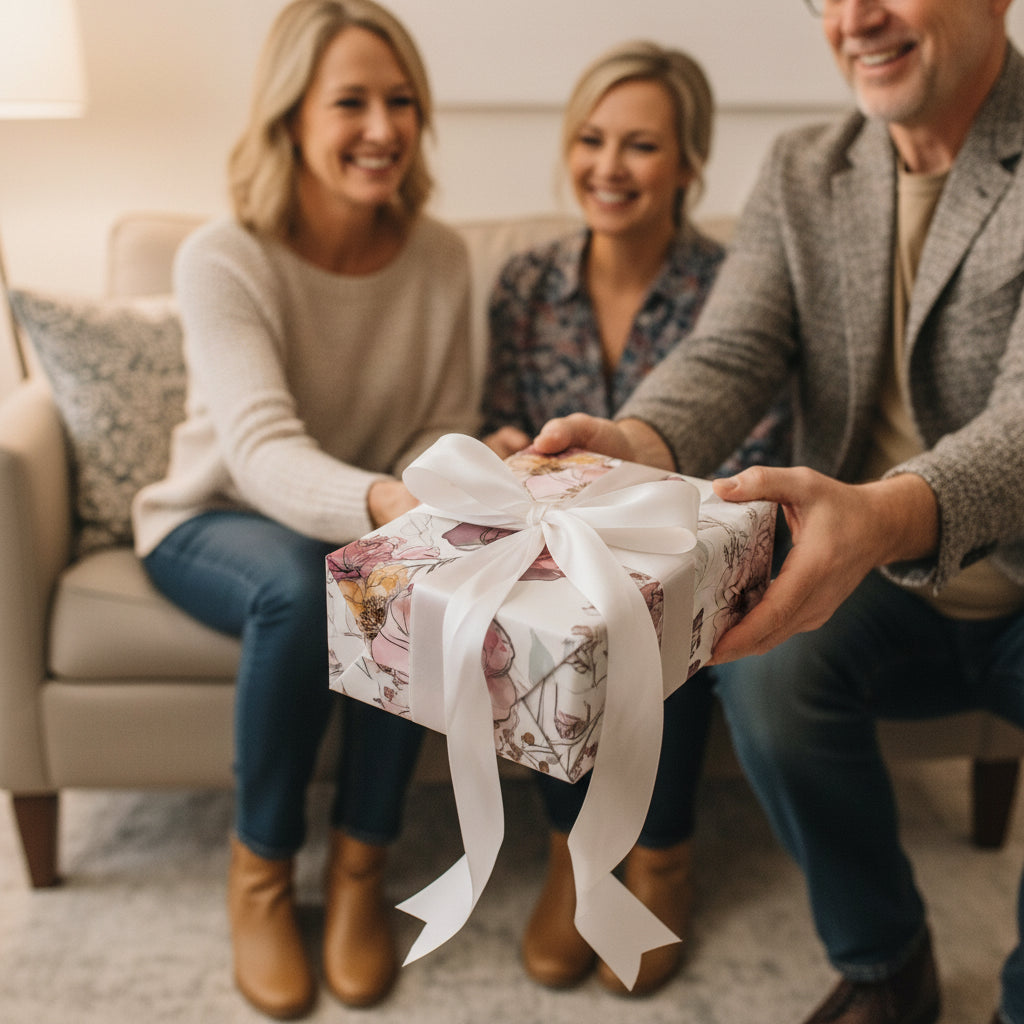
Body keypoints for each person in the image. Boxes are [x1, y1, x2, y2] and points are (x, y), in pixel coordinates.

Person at [531, 1, 1024, 1022]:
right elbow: (731, 353)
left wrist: (887, 514)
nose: (854, 16)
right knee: (764, 675)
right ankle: (884, 962)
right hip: (882, 585)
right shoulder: (806, 169)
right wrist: (635, 442)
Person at [131, 1, 477, 1017]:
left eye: (401, 100)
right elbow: (260, 451)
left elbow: (443, 422)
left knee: (401, 581)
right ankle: (263, 875)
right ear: (289, 117)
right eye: (351, 102)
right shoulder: (223, 254)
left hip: (371, 525)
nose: (383, 126)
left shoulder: (444, 257)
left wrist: (432, 494)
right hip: (214, 517)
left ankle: (362, 872)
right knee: (297, 583)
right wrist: (387, 500)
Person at [481, 41, 790, 996]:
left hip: (685, 542)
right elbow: (500, 414)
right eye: (592, 138)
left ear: (690, 162)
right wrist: (503, 449)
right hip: (558, 539)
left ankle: (661, 854)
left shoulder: (735, 286)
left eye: (642, 145)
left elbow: (748, 457)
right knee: (529, 605)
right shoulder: (526, 283)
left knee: (660, 600)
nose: (609, 166)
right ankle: (572, 851)